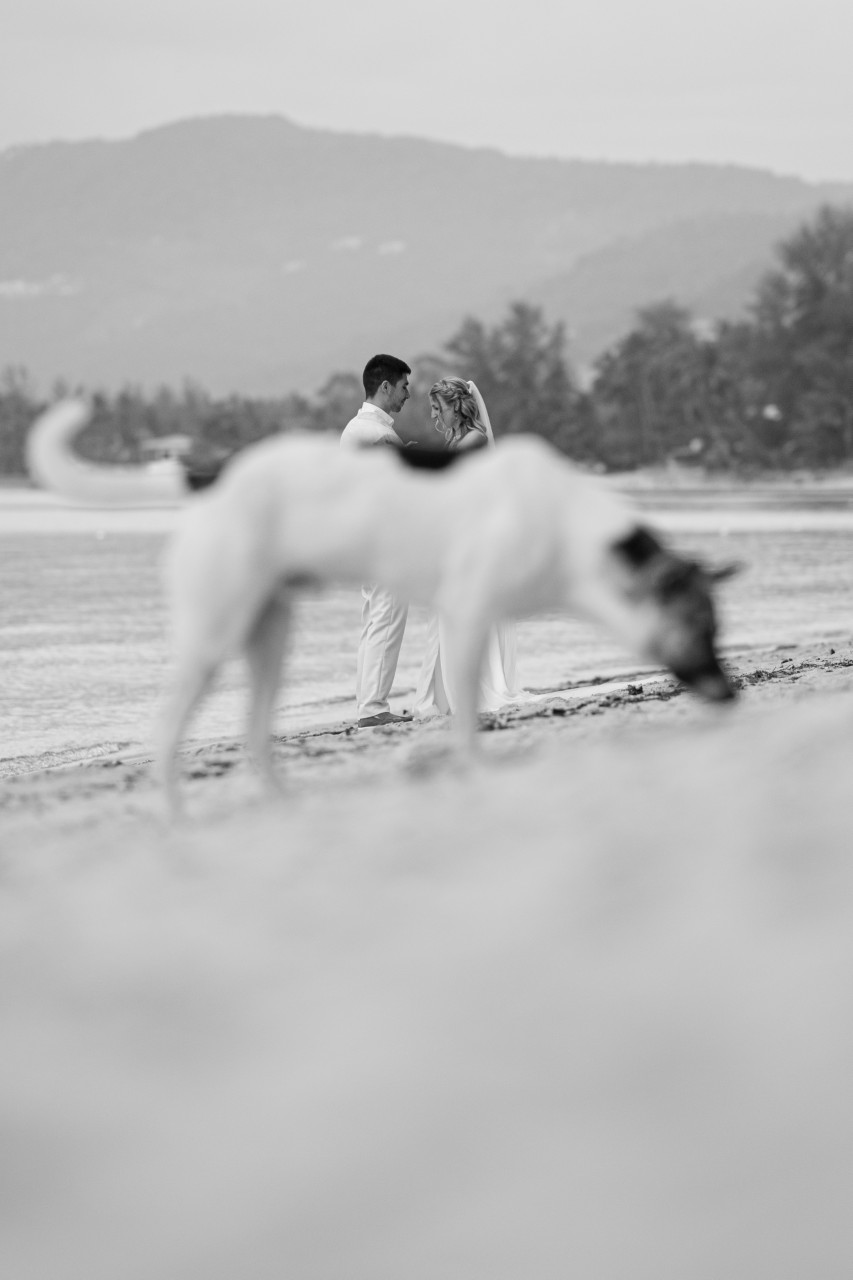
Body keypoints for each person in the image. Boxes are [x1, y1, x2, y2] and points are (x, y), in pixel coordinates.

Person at [413, 376, 524, 718]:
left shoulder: (475, 440)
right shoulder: (458, 441)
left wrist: (411, 457)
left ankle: (477, 687)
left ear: (456, 406)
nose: (434, 415)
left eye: (438, 407)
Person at [340, 354, 415, 728]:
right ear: (385, 386)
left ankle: (369, 704)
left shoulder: (360, 429)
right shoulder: (373, 432)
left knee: (375, 622)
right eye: (404, 387)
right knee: (386, 620)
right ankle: (373, 709)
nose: (407, 395)